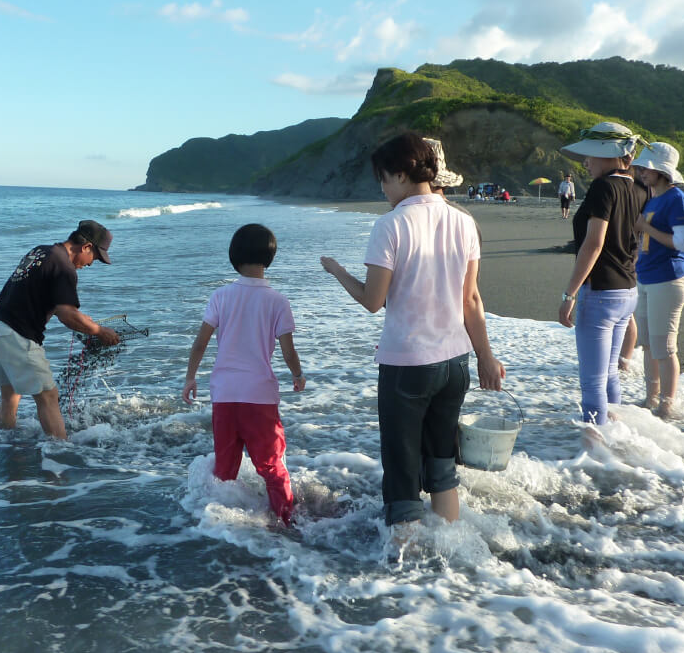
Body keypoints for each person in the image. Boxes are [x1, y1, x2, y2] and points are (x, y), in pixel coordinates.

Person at [320, 133, 505, 527]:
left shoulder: (389, 225)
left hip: (408, 365)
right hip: (455, 363)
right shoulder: (463, 222)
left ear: (402, 175)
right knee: (442, 465)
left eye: (384, 179)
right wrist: (486, 357)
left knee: (402, 470)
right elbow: (471, 299)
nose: (383, 188)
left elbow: (373, 300)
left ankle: (407, 562)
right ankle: (449, 547)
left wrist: (338, 271)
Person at [182, 223, 305, 524]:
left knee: (225, 469)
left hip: (224, 394)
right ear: (270, 258)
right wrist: (297, 375)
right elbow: (288, 351)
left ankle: (221, 527)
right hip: (259, 396)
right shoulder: (277, 301)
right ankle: (285, 523)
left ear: (234, 257)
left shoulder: (221, 296)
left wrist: (190, 377)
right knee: (271, 466)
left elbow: (200, 343)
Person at [0, 220, 120, 440]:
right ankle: (60, 453)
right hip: (16, 333)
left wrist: (81, 319)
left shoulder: (42, 251)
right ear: (86, 247)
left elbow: (43, 298)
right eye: (94, 257)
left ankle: (3, 443)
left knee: (10, 395)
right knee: (48, 396)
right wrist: (99, 331)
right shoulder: (64, 267)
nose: (90, 264)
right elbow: (67, 315)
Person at [557, 122, 644, 426]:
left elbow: (594, 244)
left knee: (592, 381)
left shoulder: (603, 187)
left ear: (609, 154)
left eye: (590, 155)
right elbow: (635, 239)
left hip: (601, 293)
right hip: (627, 290)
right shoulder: (638, 187)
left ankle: (594, 442)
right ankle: (614, 436)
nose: (586, 162)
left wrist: (569, 294)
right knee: (609, 374)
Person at [631, 143, 684, 419]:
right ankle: (651, 398)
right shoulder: (654, 198)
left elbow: (681, 243)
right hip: (647, 276)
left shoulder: (676, 198)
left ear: (663, 171)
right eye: (641, 167)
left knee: (664, 347)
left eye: (647, 168)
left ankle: (667, 404)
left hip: (667, 279)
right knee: (648, 344)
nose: (642, 172)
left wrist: (645, 227)